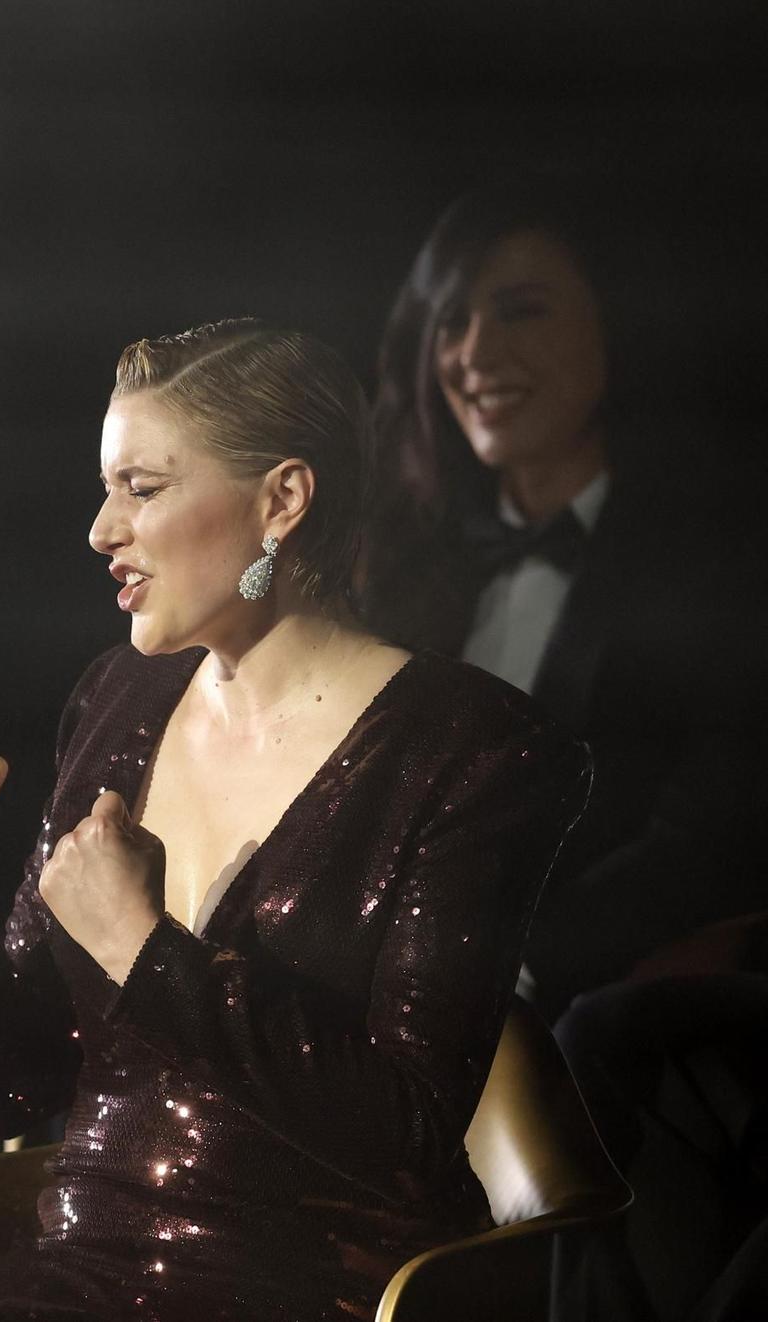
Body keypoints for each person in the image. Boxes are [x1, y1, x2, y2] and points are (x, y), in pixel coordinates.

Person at [0, 319, 588, 1320]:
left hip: (301, 1284)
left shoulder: (472, 750)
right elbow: (16, 1083)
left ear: (281, 499)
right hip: (71, 1282)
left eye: (141, 487)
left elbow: (407, 1126)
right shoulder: (117, 700)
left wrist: (145, 949)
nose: (99, 528)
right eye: (107, 488)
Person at [363, 185, 767, 1322]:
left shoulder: (710, 559)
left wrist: (508, 966)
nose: (475, 352)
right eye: (449, 322)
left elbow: (709, 828)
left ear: (611, 327)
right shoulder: (396, 570)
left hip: (579, 997)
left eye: (520, 310)